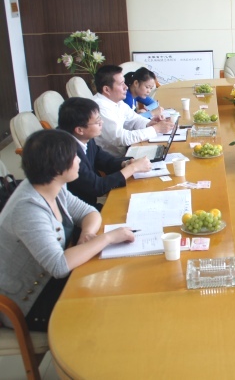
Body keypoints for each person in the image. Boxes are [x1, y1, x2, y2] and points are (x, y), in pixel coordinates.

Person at [0, 130, 134, 331]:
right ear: (57, 167)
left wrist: (86, 234)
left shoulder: (52, 184)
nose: (79, 160)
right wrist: (106, 239)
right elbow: (59, 265)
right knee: (110, 310)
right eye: (74, 157)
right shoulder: (28, 209)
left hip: (55, 279)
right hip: (30, 301)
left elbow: (89, 212)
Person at [58, 97, 152, 210]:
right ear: (79, 130)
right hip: (79, 211)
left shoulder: (84, 137)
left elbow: (105, 161)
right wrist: (132, 168)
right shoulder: (66, 152)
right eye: (97, 121)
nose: (102, 122)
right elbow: (96, 186)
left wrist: (125, 163)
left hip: (88, 205)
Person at [93, 65, 174, 156]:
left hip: (125, 152)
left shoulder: (117, 101)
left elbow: (134, 119)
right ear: (106, 89)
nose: (126, 87)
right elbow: (121, 138)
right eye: (121, 84)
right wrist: (156, 129)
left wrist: (150, 123)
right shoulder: (100, 107)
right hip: (114, 159)